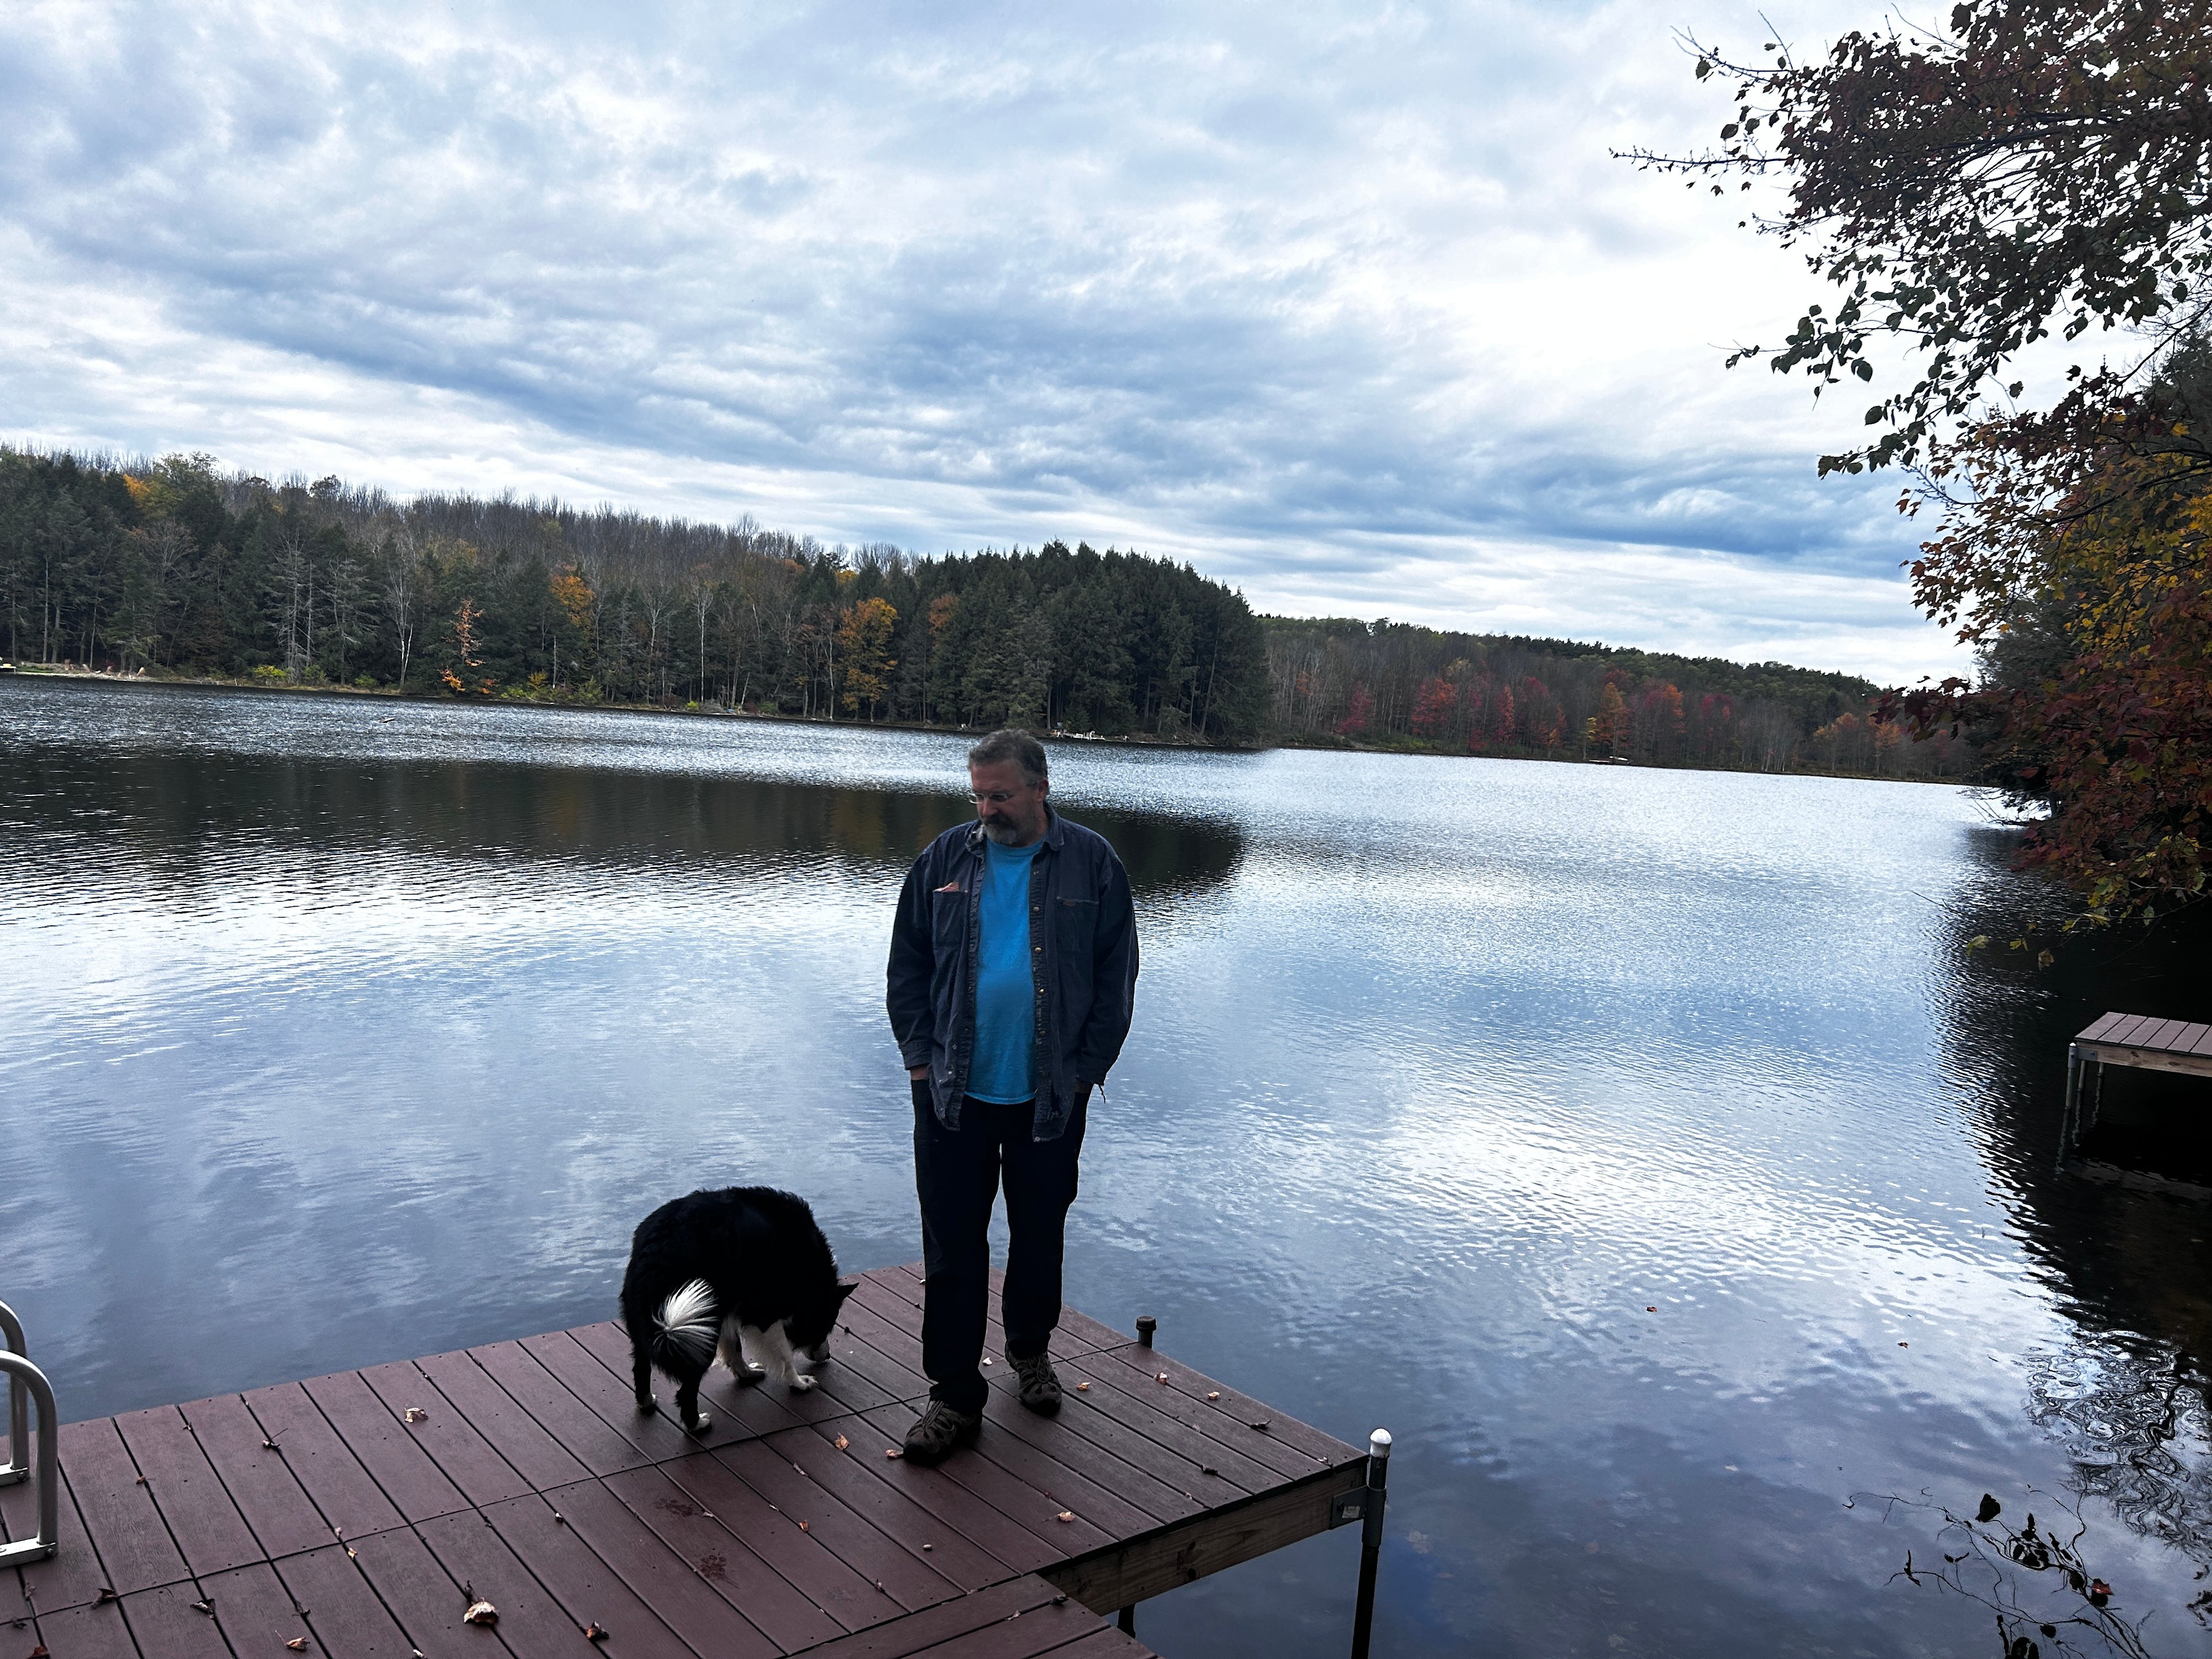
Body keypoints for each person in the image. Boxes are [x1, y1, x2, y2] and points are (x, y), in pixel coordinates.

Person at [885, 728, 1138, 1463]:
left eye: (1000, 794)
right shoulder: (943, 858)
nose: (987, 808)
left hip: (1050, 1096)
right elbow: (906, 968)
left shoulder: (1092, 864)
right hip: (951, 1095)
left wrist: (1086, 1070)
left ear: (1039, 788)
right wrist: (919, 1064)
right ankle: (954, 1396)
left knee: (1038, 1235)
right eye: (978, 794)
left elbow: (1115, 978)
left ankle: (1029, 1353)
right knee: (953, 1249)